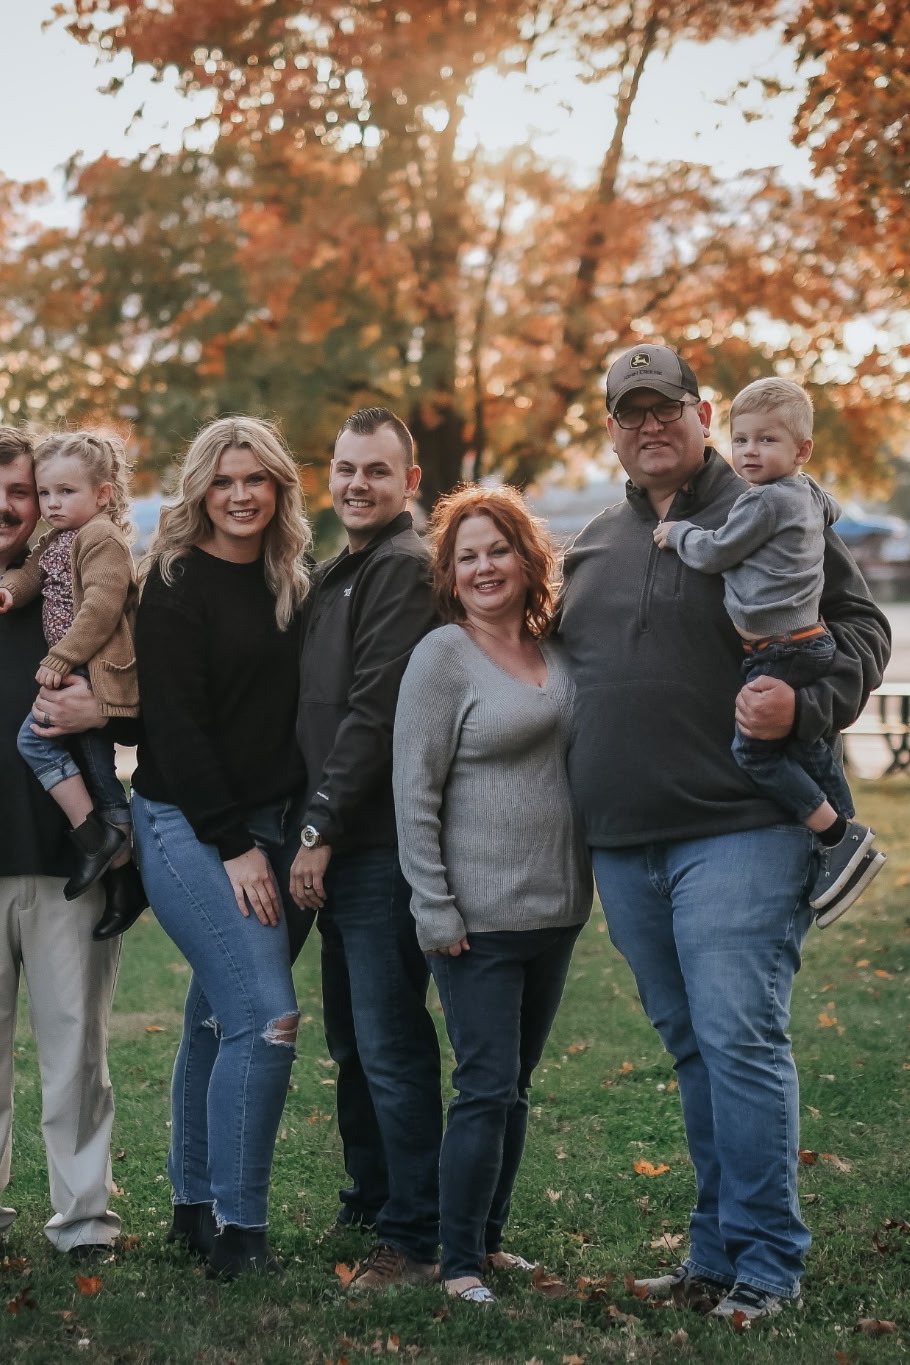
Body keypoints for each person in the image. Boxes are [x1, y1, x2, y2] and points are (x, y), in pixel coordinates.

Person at [559, 343, 891, 1323]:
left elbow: (861, 630)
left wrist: (806, 708)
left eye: (666, 407)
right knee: (695, 1049)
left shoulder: (773, 502)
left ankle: (768, 1264)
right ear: (610, 429)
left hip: (741, 827)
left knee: (739, 1042)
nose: (649, 425)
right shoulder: (593, 542)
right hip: (624, 841)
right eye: (630, 412)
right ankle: (713, 1254)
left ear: (702, 415)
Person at [0, 426, 133, 1266]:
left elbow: (143, 690)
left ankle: (85, 1220)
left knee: (77, 1051)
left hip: (69, 858)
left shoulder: (73, 582)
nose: (5, 506)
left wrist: (102, 711)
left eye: (23, 491)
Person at [393, 484, 591, 1306]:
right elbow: (414, 790)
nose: (483, 567)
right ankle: (459, 1262)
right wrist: (433, 905)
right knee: (484, 1084)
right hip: (475, 917)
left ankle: (490, 1238)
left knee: (515, 1085)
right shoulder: (443, 656)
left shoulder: (555, 649)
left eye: (497, 550)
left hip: (556, 908)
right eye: (466, 556)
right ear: (449, 573)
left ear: (526, 557)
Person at [132, 413, 311, 1279]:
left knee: (217, 1014)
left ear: (279, 487)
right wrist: (236, 845)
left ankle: (194, 1205)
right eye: (224, 480)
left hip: (277, 826)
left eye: (256, 479)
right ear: (201, 489)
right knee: (266, 1017)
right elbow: (177, 727)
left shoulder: (291, 581)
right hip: (187, 823)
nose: (240, 495)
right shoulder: (172, 583)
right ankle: (242, 1235)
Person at [287, 406, 444, 1288]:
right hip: (341, 845)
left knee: (388, 1042)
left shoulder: (403, 569)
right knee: (352, 1039)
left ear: (409, 482)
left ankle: (415, 1234)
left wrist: (320, 825)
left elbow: (375, 710)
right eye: (346, 468)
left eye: (377, 470)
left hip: (374, 845)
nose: (358, 484)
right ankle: (373, 1196)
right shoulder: (337, 571)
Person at [654, 377, 883, 922]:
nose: (750, 452)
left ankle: (837, 835)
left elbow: (715, 552)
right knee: (808, 746)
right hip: (806, 642)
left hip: (779, 648)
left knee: (755, 752)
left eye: (767, 441)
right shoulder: (807, 494)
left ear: (802, 450)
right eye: (741, 440)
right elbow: (831, 508)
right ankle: (845, 840)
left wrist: (677, 534)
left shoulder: (761, 502)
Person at [0, 430, 140, 913]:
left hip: (94, 669)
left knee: (34, 741)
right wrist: (8, 592)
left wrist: (62, 657)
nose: (52, 503)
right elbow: (31, 574)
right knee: (97, 767)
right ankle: (121, 873)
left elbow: (101, 607)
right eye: (45, 492)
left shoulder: (102, 538)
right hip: (77, 667)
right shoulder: (57, 539)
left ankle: (95, 838)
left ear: (102, 494)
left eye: (66, 492)